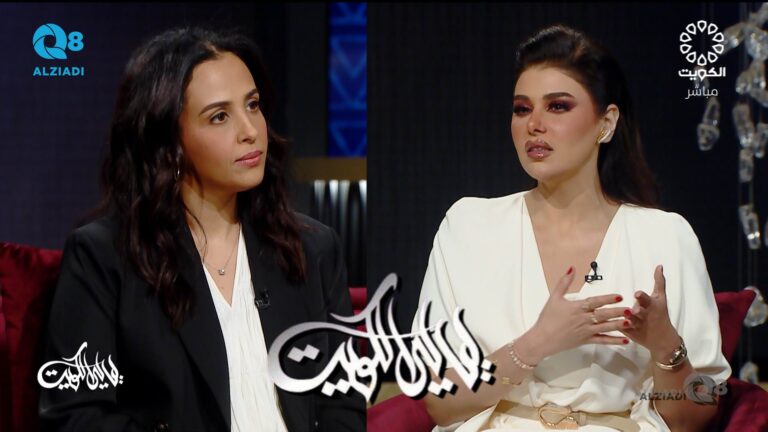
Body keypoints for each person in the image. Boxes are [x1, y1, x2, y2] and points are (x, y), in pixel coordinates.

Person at [38, 26, 366, 432]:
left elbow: (343, 401)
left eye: (253, 105)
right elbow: (77, 415)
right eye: (219, 116)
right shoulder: (104, 257)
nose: (250, 131)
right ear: (169, 143)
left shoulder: (312, 248)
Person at [414, 24, 730, 432]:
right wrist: (535, 345)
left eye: (558, 106)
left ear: (606, 123)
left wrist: (665, 346)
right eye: (522, 109)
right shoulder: (468, 226)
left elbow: (694, 417)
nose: (534, 124)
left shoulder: (666, 236)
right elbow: (439, 402)